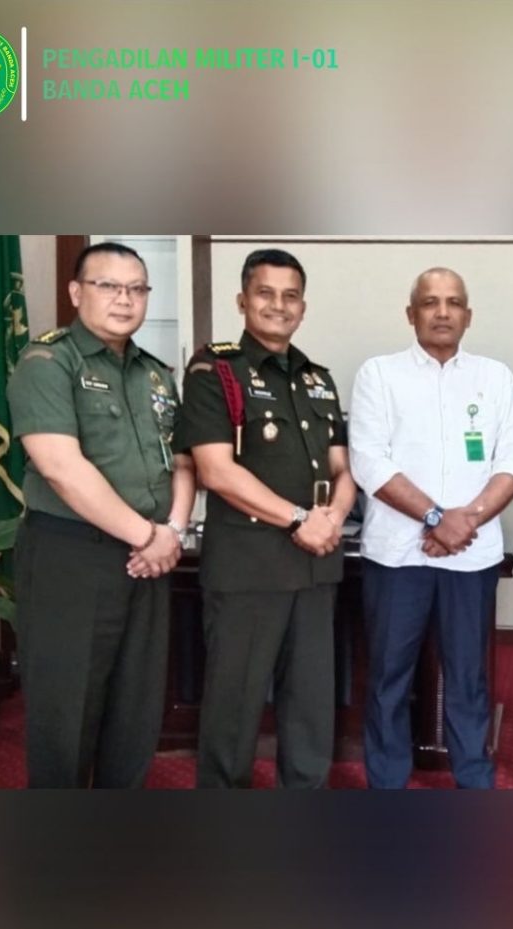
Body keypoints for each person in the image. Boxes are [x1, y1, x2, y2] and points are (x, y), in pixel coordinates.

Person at [8, 241, 195, 788]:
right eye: (108, 286)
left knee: (136, 709)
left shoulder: (155, 373)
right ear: (75, 292)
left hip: (149, 559)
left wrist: (173, 531)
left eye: (136, 289)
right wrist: (150, 537)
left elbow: (183, 461)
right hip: (72, 556)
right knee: (66, 710)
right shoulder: (47, 362)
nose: (124, 299)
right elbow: (61, 468)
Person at [174, 249, 356, 788]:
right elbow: (216, 471)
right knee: (234, 704)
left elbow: (344, 468)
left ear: (303, 306)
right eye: (266, 293)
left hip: (315, 565)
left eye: (290, 295)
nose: (279, 305)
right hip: (249, 568)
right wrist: (301, 520)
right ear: (242, 300)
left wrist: (333, 518)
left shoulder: (318, 379)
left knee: (311, 705)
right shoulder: (216, 371)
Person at [348, 268, 513, 789]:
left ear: (468, 316)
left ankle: (474, 779)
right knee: (388, 676)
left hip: (471, 556)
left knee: (468, 677)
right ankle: (387, 784)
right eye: (430, 302)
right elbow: (369, 462)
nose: (443, 312)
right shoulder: (379, 375)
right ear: (411, 314)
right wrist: (435, 517)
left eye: (453, 303)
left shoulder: (495, 378)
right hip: (396, 557)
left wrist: (463, 522)